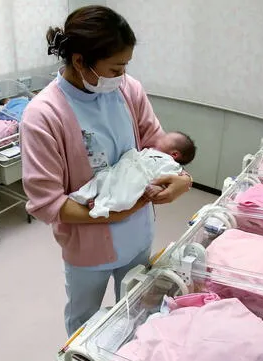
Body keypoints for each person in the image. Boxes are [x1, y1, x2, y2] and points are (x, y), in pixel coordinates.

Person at [20, 5, 193, 336]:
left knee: (137, 314)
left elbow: (157, 148)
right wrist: (112, 214)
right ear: (80, 61)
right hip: (89, 248)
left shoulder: (128, 90)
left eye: (125, 67)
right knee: (84, 323)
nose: (122, 76)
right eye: (115, 68)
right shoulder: (43, 116)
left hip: (139, 234)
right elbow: (47, 203)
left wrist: (181, 180)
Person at [73, 131, 196, 217]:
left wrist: (159, 187)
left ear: (174, 154)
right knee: (104, 178)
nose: (160, 137)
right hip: (126, 167)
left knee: (124, 194)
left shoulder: (169, 163)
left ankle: (104, 205)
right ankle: (93, 196)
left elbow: (167, 180)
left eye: (165, 139)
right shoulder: (151, 150)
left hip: (138, 177)